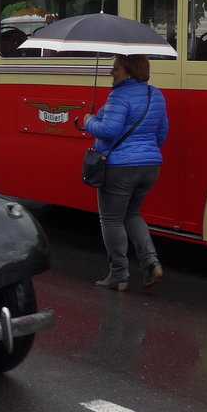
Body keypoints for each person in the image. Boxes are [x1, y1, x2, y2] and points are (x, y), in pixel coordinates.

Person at [81, 54, 169, 291]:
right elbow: (162, 132)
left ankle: (119, 274)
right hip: (150, 167)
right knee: (132, 215)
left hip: (120, 168)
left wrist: (89, 121)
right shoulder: (156, 95)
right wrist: (145, 153)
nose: (112, 72)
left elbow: (108, 130)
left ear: (129, 71)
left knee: (111, 219)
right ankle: (151, 262)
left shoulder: (119, 96)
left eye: (116, 68)